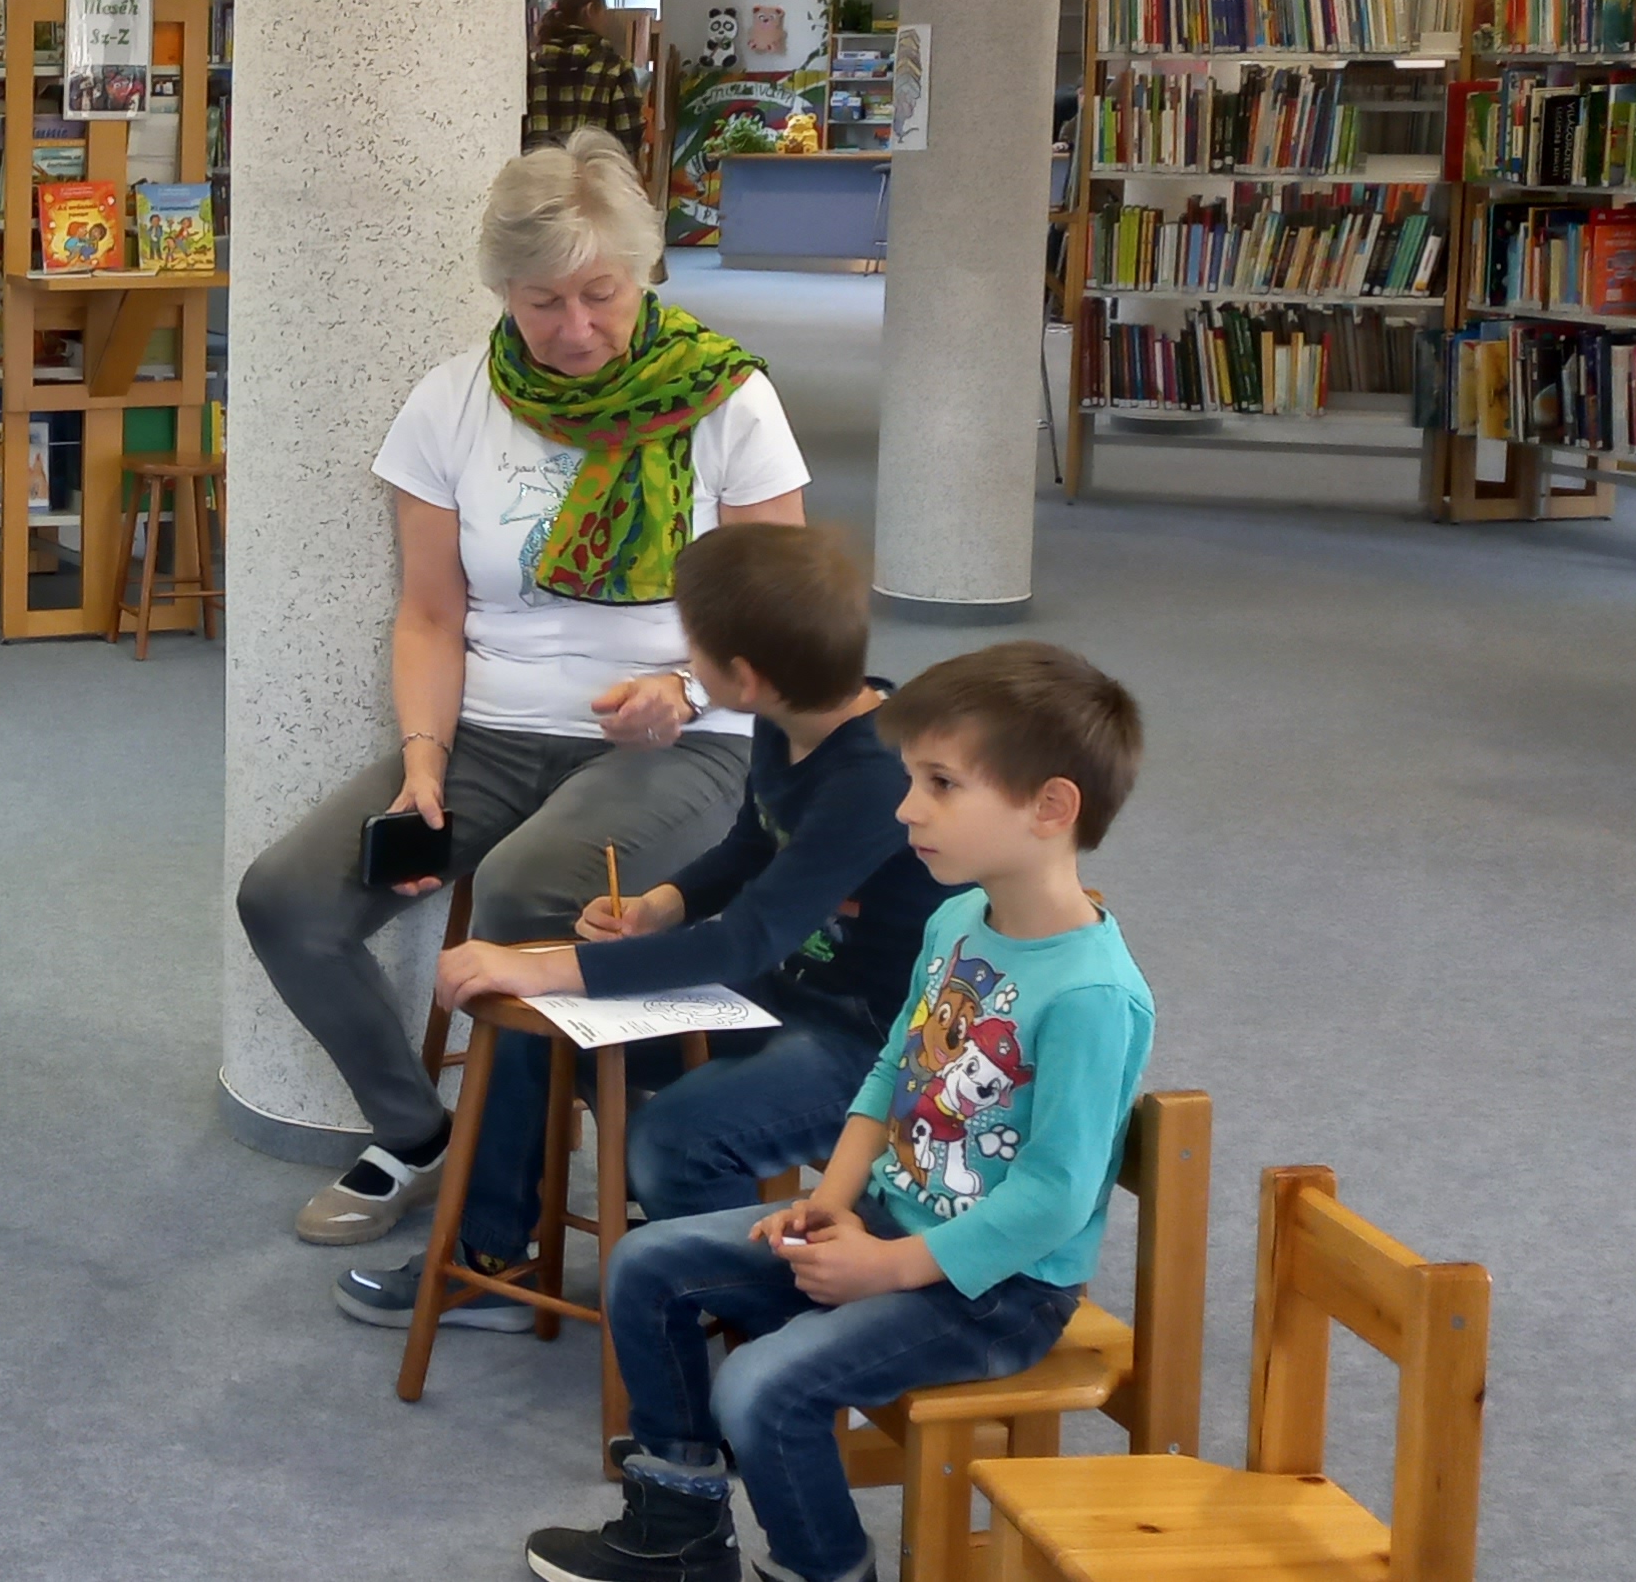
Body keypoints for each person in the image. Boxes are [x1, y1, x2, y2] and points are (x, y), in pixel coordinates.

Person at [236, 129, 808, 1247]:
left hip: (689, 742)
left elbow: (785, 620)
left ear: (644, 274)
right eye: (544, 302)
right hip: (493, 732)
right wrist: (422, 759)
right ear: (503, 289)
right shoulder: (451, 403)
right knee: (288, 899)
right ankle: (420, 1136)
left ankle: (507, 1217)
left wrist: (687, 688)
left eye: (601, 295)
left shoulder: (728, 401)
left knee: (523, 892)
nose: (575, 328)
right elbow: (430, 616)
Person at [528, 642, 1155, 1582]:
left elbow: (1054, 1199)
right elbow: (892, 1073)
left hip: (997, 1292)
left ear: (1050, 807)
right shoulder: (955, 921)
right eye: (912, 779)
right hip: (887, 1222)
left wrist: (888, 1267)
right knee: (647, 1265)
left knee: (761, 1386)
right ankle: (680, 1530)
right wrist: (833, 1202)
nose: (906, 809)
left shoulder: (1093, 996)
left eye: (941, 784)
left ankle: (824, 1570)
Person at [334, 520, 953, 1331]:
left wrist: (547, 965)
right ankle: (490, 1264)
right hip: (784, 996)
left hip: (880, 1046)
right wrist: (660, 904)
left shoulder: (874, 777)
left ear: (744, 677)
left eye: (692, 647)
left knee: (674, 1140)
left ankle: (761, 1319)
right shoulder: (789, 719)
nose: (682, 659)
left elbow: (747, 938)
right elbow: (749, 847)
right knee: (540, 1030)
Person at [524, 0, 648, 153]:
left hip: (541, 168)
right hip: (595, 168)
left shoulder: (532, 66)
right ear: (590, 10)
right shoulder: (615, 69)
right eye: (603, 12)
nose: (606, 20)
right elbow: (629, 142)